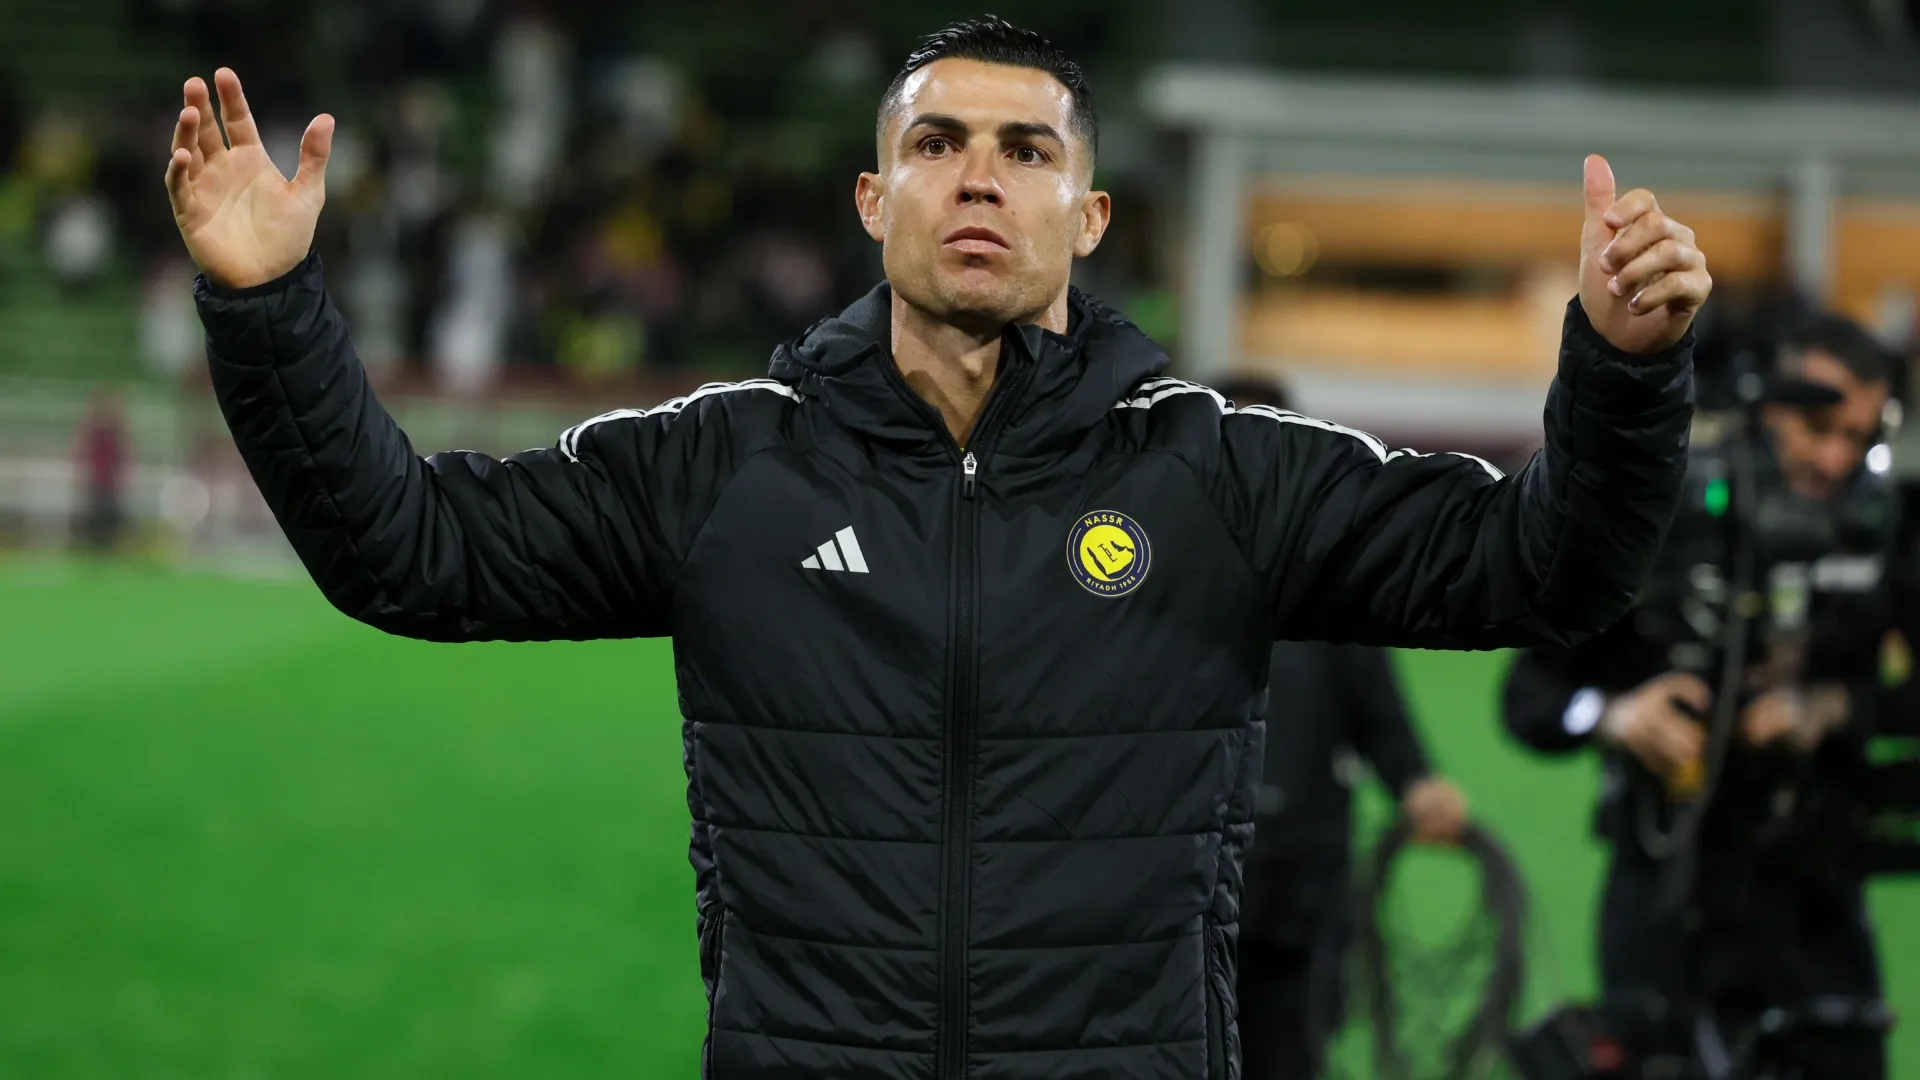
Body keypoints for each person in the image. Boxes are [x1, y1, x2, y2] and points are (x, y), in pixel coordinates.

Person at [164, 17, 1709, 1080]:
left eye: (1028, 152)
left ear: (1090, 214)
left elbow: (1543, 571)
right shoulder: (725, 463)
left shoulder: (1221, 470)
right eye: (941, 144)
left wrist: (1625, 374)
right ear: (871, 196)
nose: (982, 178)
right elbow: (412, 555)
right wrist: (266, 310)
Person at [1502, 313, 1910, 1079]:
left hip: (1816, 901)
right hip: (1666, 893)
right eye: (1817, 426)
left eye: (1859, 436)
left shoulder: (1884, 535)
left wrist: (1835, 707)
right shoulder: (1669, 523)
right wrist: (1616, 716)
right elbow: (1530, 698)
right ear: (1763, 407)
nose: (1835, 457)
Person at [1212, 374, 1469, 1079]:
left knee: (1293, 1047)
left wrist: (1416, 782)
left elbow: (1375, 708)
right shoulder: (1153, 575)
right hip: (1188, 874)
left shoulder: (1327, 575)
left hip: (1304, 873)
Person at [71, 385, 129, 554]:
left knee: (108, 513)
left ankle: (107, 546)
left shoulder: (116, 429)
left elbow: (123, 455)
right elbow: (81, 451)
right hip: (97, 477)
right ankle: (95, 545)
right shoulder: (91, 427)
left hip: (109, 479)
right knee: (95, 511)